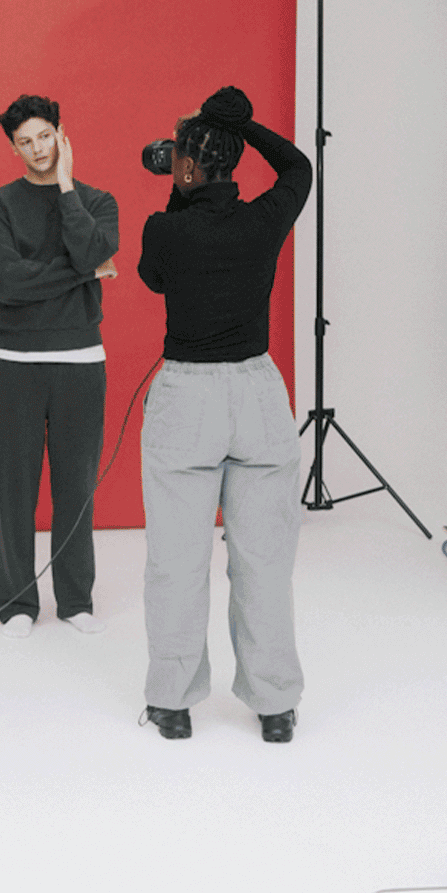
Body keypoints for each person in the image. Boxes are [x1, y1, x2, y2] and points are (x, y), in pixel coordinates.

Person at [135, 85, 312, 742]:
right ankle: (275, 707)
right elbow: (298, 167)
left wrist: (183, 184)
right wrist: (240, 125)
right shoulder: (264, 219)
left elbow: (154, 276)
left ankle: (173, 703)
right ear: (234, 162)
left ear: (185, 167)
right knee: (264, 560)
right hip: (259, 395)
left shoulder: (165, 228)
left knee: (176, 561)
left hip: (187, 399)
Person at [0, 95, 119, 638]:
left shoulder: (96, 201)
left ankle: (76, 599)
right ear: (13, 148)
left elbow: (90, 246)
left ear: (61, 134)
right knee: (14, 488)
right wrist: (86, 270)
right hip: (15, 361)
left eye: (44, 137)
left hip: (81, 360)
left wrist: (65, 188)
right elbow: (8, 283)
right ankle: (17, 604)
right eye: (25, 142)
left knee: (76, 487)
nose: (37, 149)